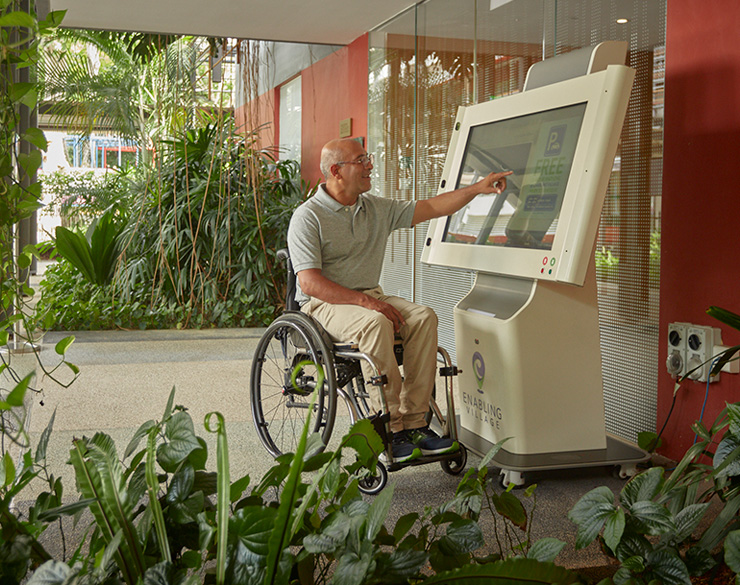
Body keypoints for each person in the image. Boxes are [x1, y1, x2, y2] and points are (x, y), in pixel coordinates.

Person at [287, 138, 511, 463]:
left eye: (368, 158)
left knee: (423, 317)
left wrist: (477, 188)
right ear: (336, 170)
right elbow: (309, 282)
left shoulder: (375, 208)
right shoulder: (308, 217)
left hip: (368, 298)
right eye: (361, 160)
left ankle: (415, 422)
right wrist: (368, 304)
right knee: (376, 321)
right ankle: (389, 428)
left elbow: (433, 207)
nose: (369, 165)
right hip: (324, 306)